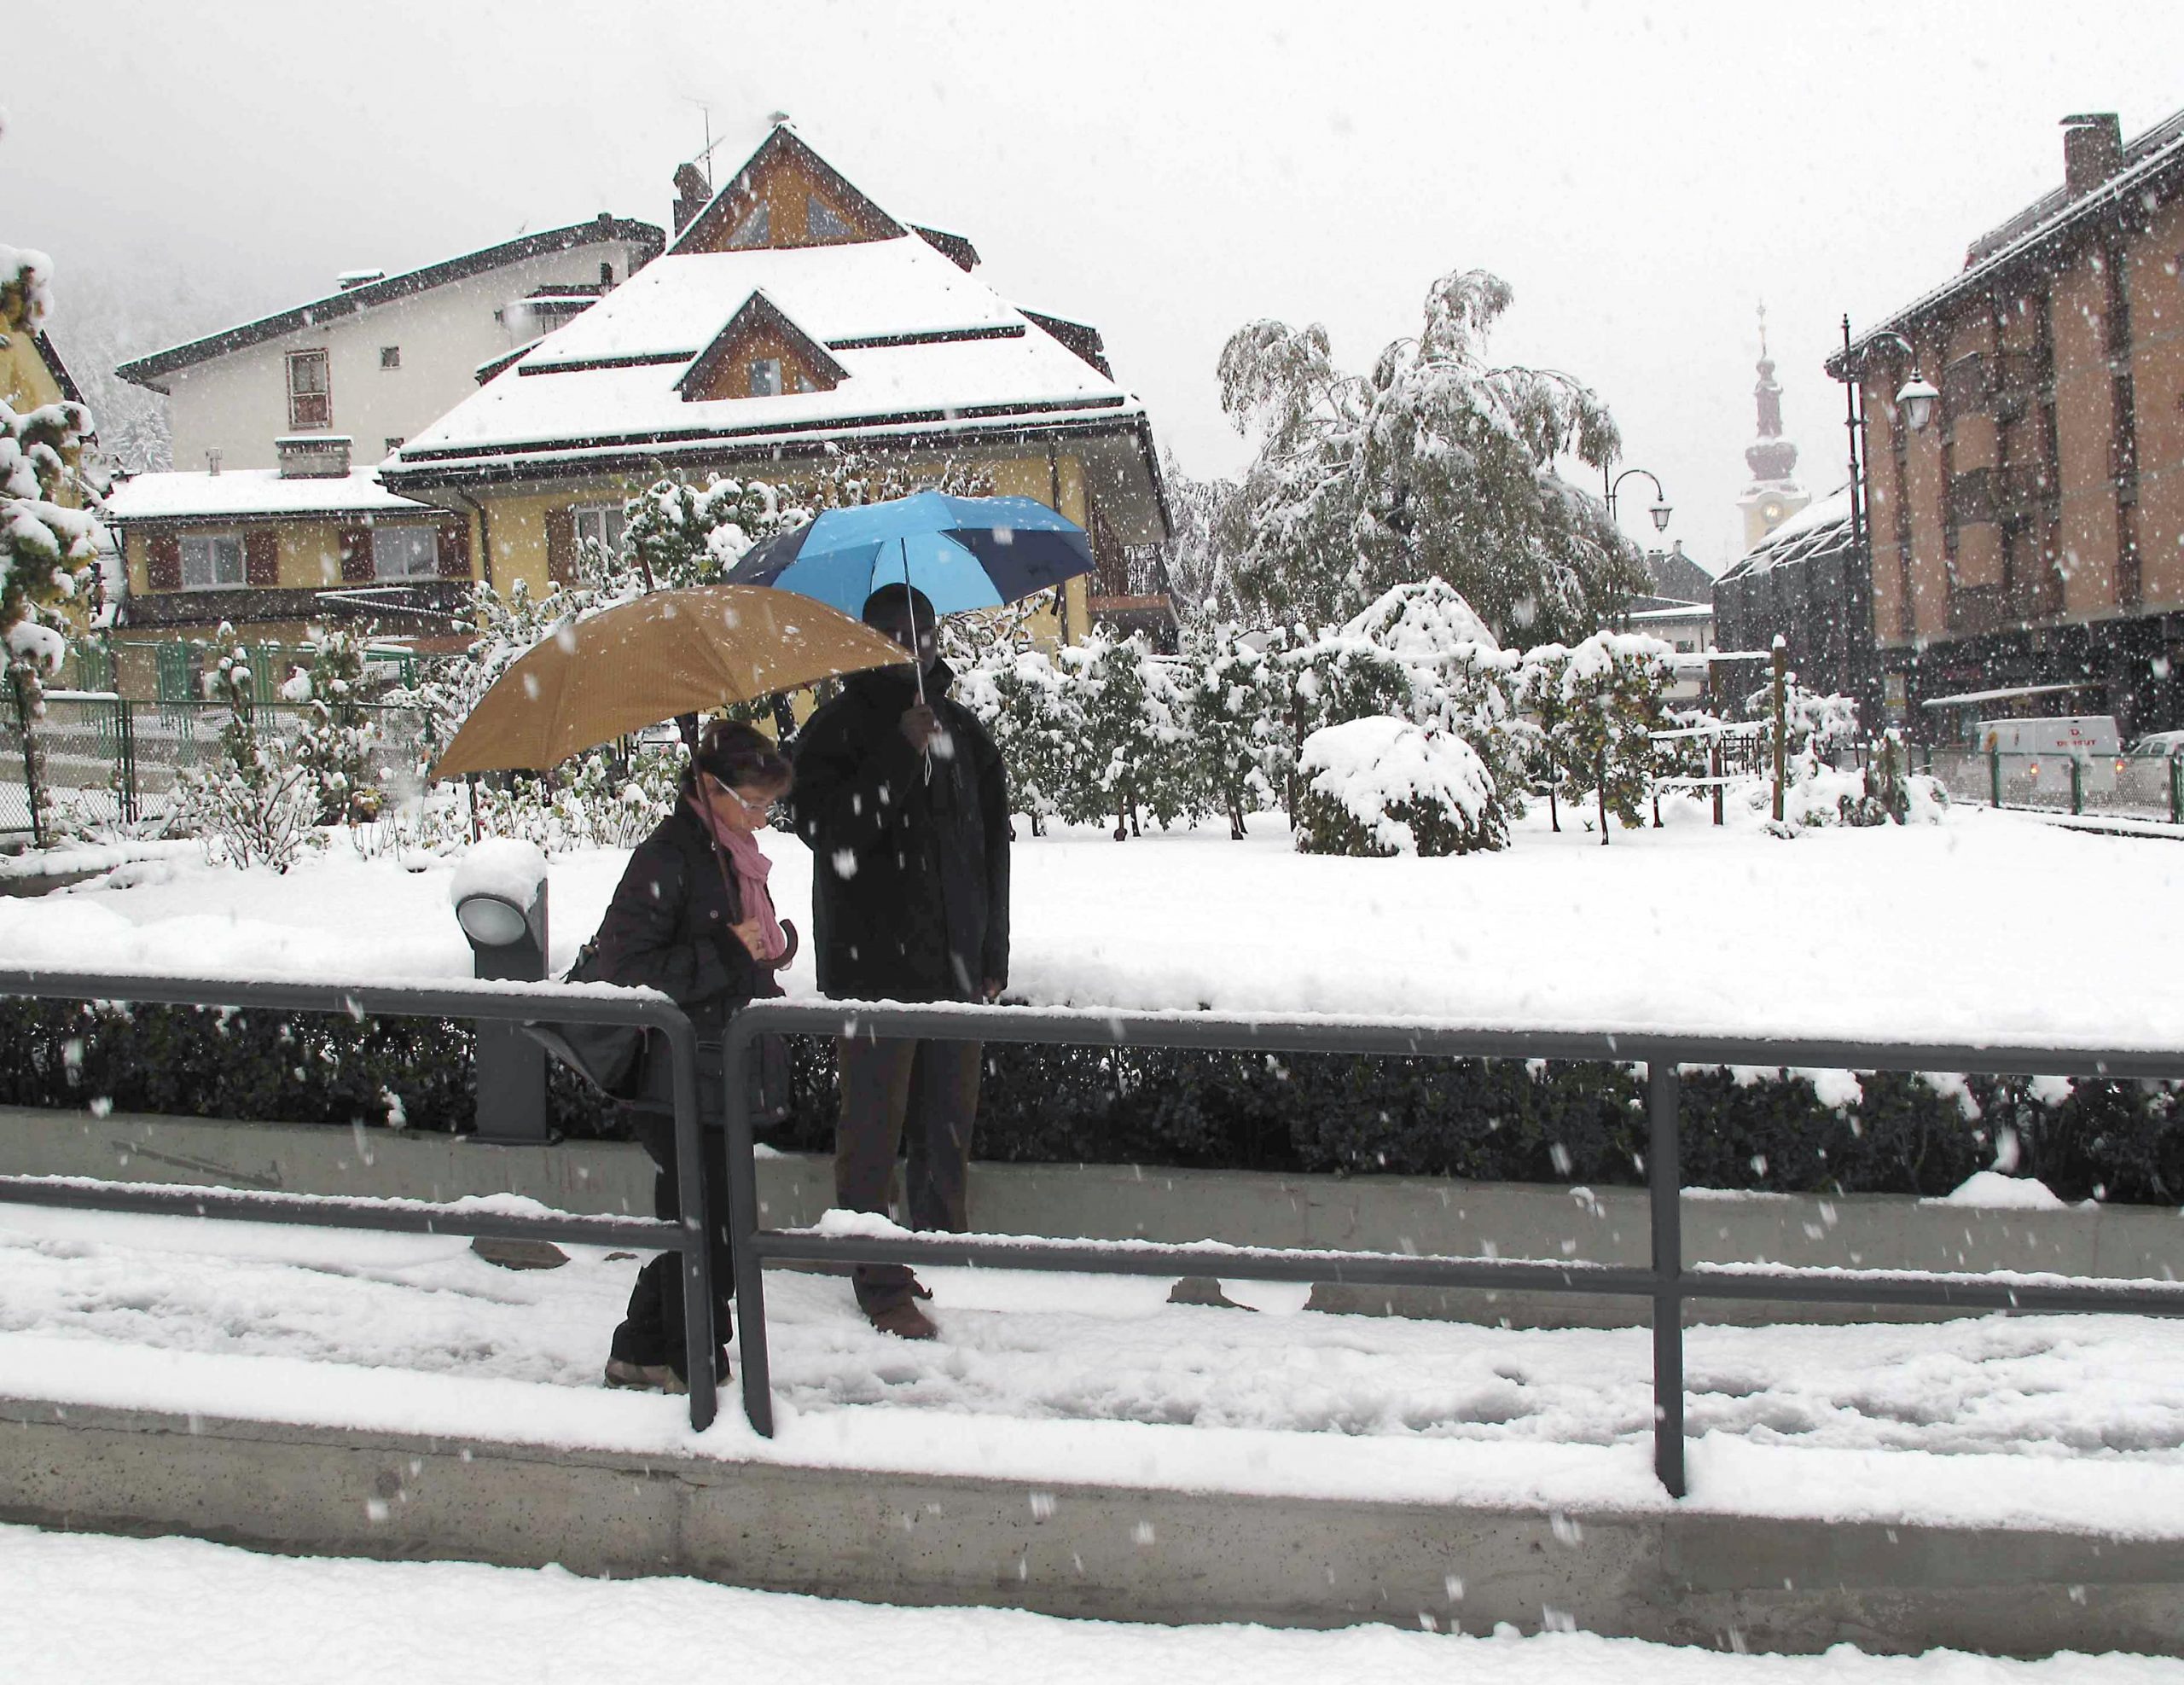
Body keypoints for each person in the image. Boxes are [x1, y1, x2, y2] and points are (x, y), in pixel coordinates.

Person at [789, 583, 1009, 1340]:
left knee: (948, 1124)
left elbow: (990, 848)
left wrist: (992, 951)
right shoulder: (834, 731)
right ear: (869, 638)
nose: (914, 643)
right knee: (874, 1131)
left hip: (954, 972)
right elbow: (834, 839)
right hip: (873, 968)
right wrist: (896, 751)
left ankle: (942, 1257)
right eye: (894, 631)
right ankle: (877, 1280)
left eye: (923, 628)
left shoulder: (966, 732)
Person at [586, 720, 794, 1392]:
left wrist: (766, 948)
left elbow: (726, 948)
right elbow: (627, 970)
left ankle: (646, 1348)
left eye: (769, 806)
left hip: (719, 1069)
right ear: (711, 788)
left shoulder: (729, 854)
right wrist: (732, 952)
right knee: (704, 1231)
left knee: (712, 1227)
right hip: (673, 1077)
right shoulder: (670, 855)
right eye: (754, 803)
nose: (762, 820)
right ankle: (691, 1360)